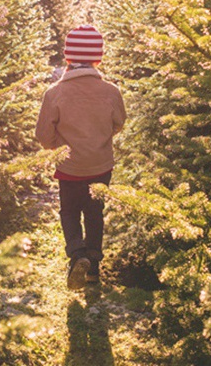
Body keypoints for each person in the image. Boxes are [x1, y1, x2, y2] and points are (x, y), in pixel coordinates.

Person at [35, 24, 126, 290]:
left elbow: (43, 135)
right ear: (98, 58)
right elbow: (118, 123)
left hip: (69, 167)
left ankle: (77, 255)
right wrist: (99, 139)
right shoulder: (111, 91)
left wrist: (56, 147)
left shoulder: (54, 93)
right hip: (100, 167)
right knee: (95, 214)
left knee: (70, 212)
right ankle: (93, 272)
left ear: (68, 57)